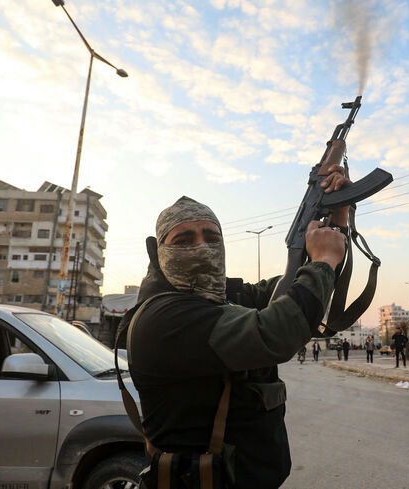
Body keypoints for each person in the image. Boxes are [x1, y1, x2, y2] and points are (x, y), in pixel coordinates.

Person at [126, 183, 349, 488]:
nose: (203, 246)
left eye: (212, 237)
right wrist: (323, 260)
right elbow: (278, 332)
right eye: (184, 239)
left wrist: (337, 216)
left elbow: (303, 288)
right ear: (159, 252)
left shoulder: (225, 298)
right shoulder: (163, 318)